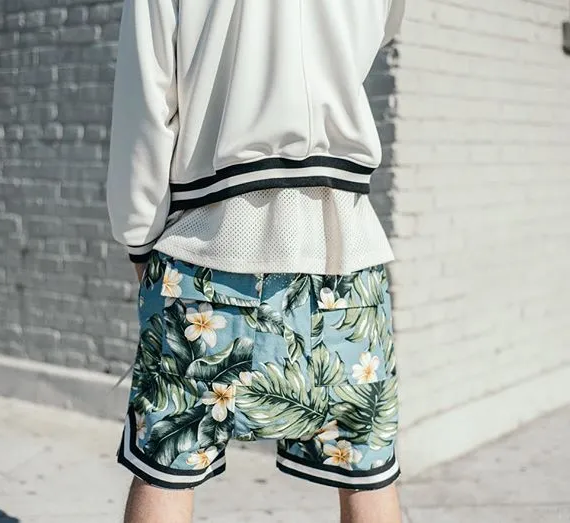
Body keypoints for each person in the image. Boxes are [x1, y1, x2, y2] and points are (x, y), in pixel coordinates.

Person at [106, 1, 406, 522]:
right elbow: (378, 32)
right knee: (367, 474)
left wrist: (139, 240)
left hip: (207, 251)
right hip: (347, 255)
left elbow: (146, 103)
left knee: (166, 467)